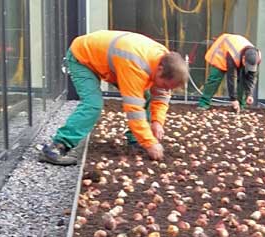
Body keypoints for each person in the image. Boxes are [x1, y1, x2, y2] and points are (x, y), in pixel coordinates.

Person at [40, 30, 188, 166]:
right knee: (93, 104)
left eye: (170, 88)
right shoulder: (136, 66)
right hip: (82, 56)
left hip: (109, 61)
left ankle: (136, 141)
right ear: (160, 70)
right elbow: (134, 110)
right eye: (165, 84)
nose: (166, 90)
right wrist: (150, 143)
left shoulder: (165, 61)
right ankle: (57, 146)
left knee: (146, 96)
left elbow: (161, 95)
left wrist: (157, 122)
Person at [198, 33, 260, 112]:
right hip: (222, 50)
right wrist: (233, 99)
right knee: (215, 77)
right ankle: (204, 103)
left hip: (236, 49)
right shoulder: (234, 55)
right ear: (244, 58)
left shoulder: (256, 56)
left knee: (244, 78)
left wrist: (249, 94)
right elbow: (231, 78)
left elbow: (251, 77)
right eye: (246, 65)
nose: (248, 68)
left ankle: (241, 105)